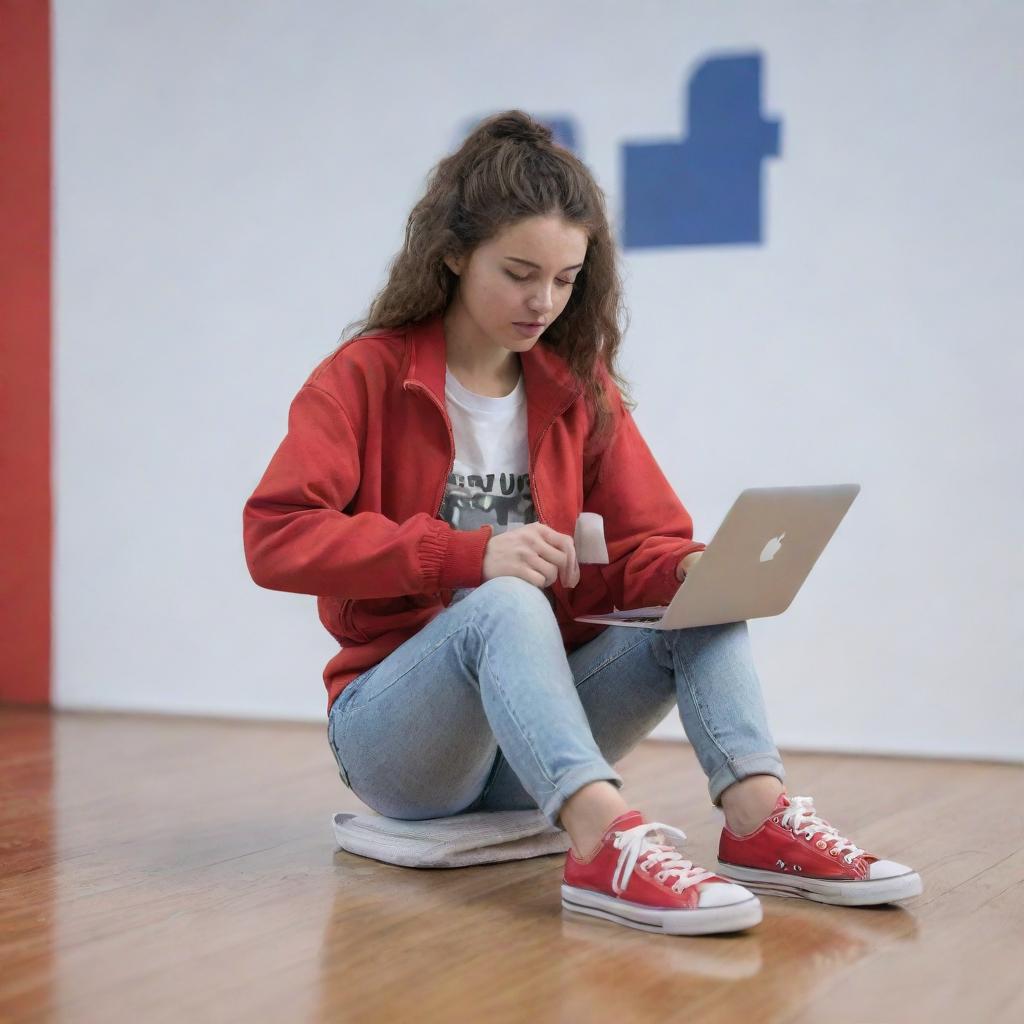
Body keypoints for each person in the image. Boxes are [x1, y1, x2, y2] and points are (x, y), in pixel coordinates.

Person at [242, 109, 922, 937]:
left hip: (529, 744)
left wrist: (681, 572)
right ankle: (600, 840)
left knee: (701, 602)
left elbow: (644, 545)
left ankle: (758, 820)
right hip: (401, 746)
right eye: (520, 272)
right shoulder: (363, 378)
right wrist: (469, 554)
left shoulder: (574, 385)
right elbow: (275, 536)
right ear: (453, 254)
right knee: (505, 600)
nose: (544, 301)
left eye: (566, 279)